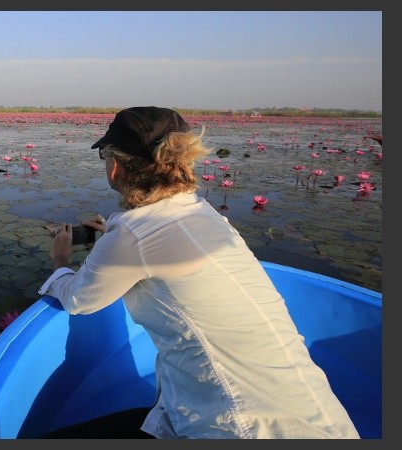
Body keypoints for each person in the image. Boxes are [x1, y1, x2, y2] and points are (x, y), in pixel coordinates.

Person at [37, 106, 360, 439]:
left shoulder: (133, 235)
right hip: (320, 420)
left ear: (115, 166)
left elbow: (80, 300)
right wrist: (112, 238)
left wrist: (61, 260)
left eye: (105, 155)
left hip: (235, 426)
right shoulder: (203, 212)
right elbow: (156, 243)